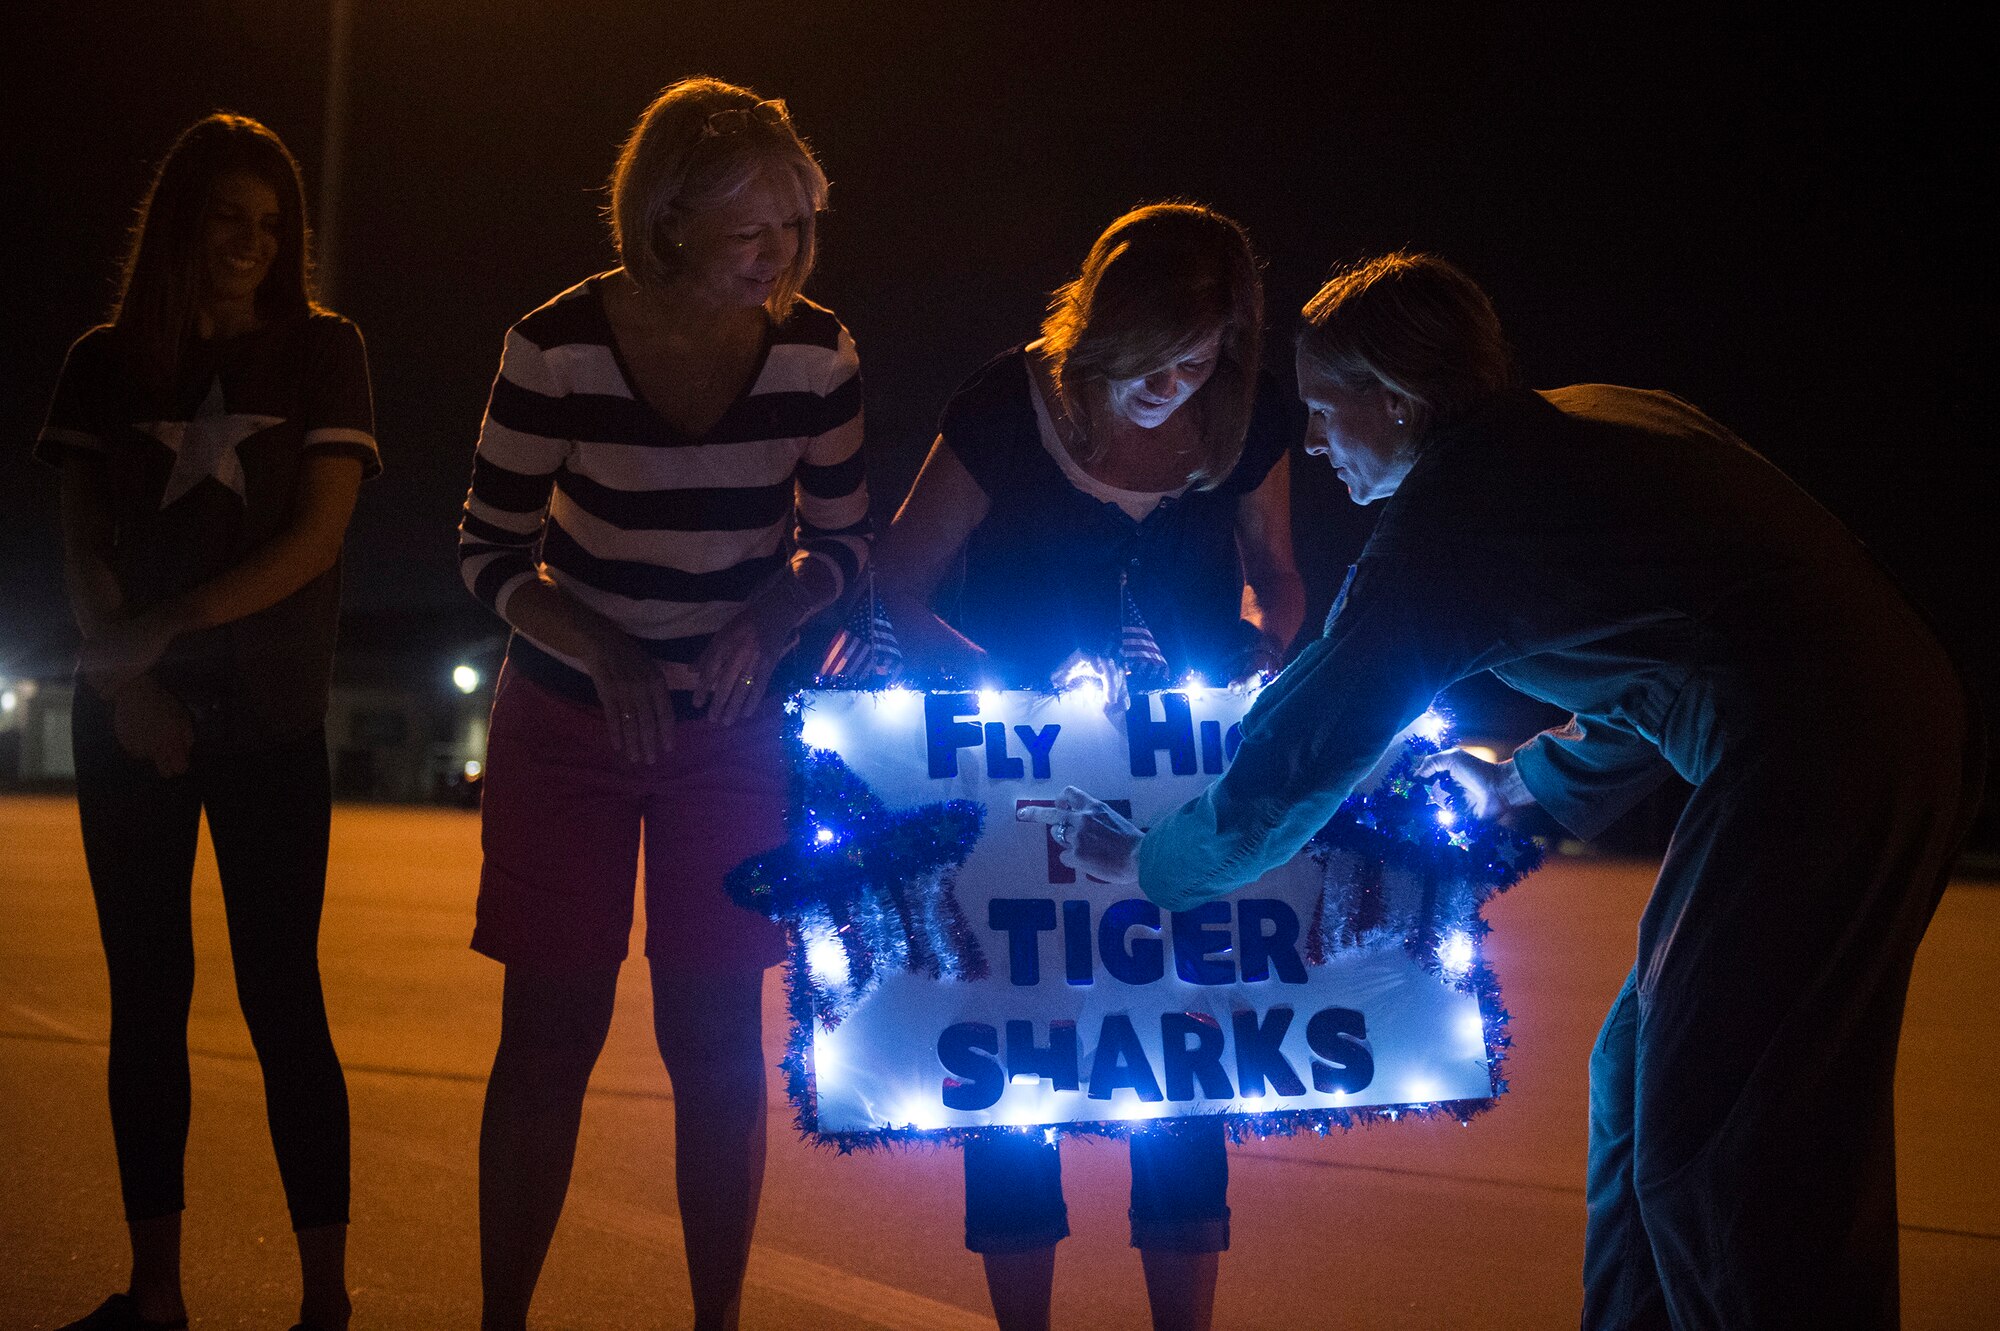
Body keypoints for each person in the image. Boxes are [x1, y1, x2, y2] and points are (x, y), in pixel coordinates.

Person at [1028, 251, 1985, 1330]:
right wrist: (1529, 786)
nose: (1311, 440)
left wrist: (1150, 858)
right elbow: (1677, 660)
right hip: (1873, 728)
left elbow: (1313, 737)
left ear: (1395, 403)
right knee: (1647, 1082)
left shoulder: (1457, 514)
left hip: (1822, 758)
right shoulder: (1573, 429)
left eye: (1324, 409)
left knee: (1716, 1131)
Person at [457, 78, 867, 1331]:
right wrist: (600, 644)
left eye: (795, 229)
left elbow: (843, 551)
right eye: (754, 231)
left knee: (717, 1045)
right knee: (547, 1039)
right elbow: (486, 553)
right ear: (670, 216)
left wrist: (773, 614)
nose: (780, 256)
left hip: (730, 738)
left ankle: (716, 1319)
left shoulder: (818, 354)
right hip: (567, 725)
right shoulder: (556, 345)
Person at [875, 202, 1305, 1331]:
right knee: (1013, 1060)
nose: (1173, 383)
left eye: (1199, 359)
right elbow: (899, 583)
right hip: (1019, 779)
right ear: (1098, 326)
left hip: (1183, 784)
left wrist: (1266, 648)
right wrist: (1013, 701)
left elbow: (1277, 574)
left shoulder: (1246, 418)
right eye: (1149, 357)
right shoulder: (1002, 407)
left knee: (1184, 1062)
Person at [37, 113, 378, 1331]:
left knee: (285, 994)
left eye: (271, 225)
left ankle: (325, 1300)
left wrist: (160, 640)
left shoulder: (324, 353)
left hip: (270, 719)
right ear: (180, 219)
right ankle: (157, 1289)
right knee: (148, 995)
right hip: (124, 719)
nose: (250, 242)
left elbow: (317, 540)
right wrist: (130, 687)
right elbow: (81, 542)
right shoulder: (103, 362)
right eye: (227, 217)